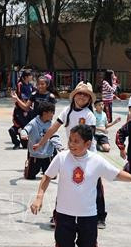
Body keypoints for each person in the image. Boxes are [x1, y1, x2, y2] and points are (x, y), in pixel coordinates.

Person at [30, 125, 131, 247]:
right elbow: (47, 176)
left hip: (88, 215)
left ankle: (88, 240)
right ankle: (63, 239)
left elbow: (116, 174)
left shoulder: (96, 160)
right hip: (64, 213)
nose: (71, 144)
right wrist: (39, 197)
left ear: (88, 143)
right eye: (70, 140)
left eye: (76, 141)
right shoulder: (61, 157)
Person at [34, 82, 105, 227]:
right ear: (74, 96)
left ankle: (100, 216)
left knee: (94, 186)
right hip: (71, 153)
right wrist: (41, 142)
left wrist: (86, 157)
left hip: (88, 155)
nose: (82, 97)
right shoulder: (67, 111)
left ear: (90, 99)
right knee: (65, 185)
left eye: (86, 95)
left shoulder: (89, 115)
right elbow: (54, 127)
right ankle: (58, 215)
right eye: (80, 93)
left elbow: (90, 139)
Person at [21, 101, 63, 179]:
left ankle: (47, 168)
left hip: (48, 155)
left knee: (52, 177)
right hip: (35, 156)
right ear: (44, 113)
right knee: (29, 177)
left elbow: (54, 136)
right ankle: (28, 163)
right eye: (52, 112)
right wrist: (24, 134)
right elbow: (25, 130)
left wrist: (60, 147)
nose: (53, 114)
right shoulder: (34, 123)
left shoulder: (51, 124)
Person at [7, 70, 34, 149]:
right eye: (30, 75)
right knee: (12, 130)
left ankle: (26, 139)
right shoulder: (20, 85)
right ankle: (16, 143)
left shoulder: (30, 86)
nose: (32, 77)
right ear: (26, 77)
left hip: (27, 110)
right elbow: (20, 97)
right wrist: (19, 127)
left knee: (26, 145)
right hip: (21, 109)